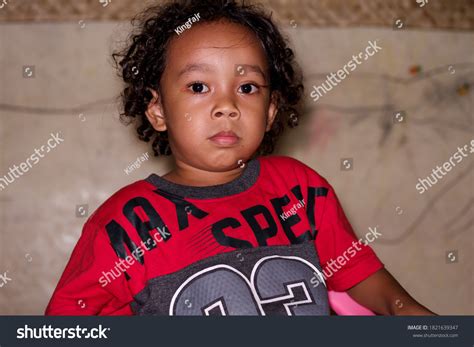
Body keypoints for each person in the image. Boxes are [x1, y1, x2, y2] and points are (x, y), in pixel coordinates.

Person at [45, 0, 435, 316]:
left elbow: (355, 274)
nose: (227, 105)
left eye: (247, 87)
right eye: (199, 86)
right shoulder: (124, 224)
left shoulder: (298, 188)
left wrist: (409, 313)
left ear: (269, 110)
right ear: (158, 110)